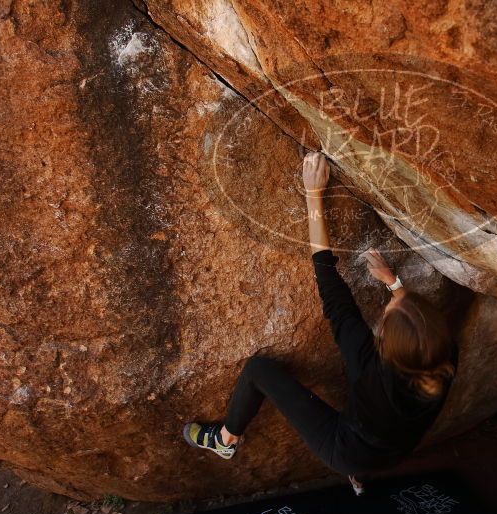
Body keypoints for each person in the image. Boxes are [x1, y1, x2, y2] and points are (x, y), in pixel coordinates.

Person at [183, 152, 456, 495]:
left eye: (386, 317)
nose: (390, 306)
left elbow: (330, 285)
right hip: (397, 448)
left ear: (384, 347)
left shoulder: (369, 369)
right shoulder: (445, 356)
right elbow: (411, 320)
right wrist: (394, 285)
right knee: (379, 431)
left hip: (346, 449)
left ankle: (225, 439)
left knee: (258, 371)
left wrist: (313, 196)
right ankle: (361, 476)